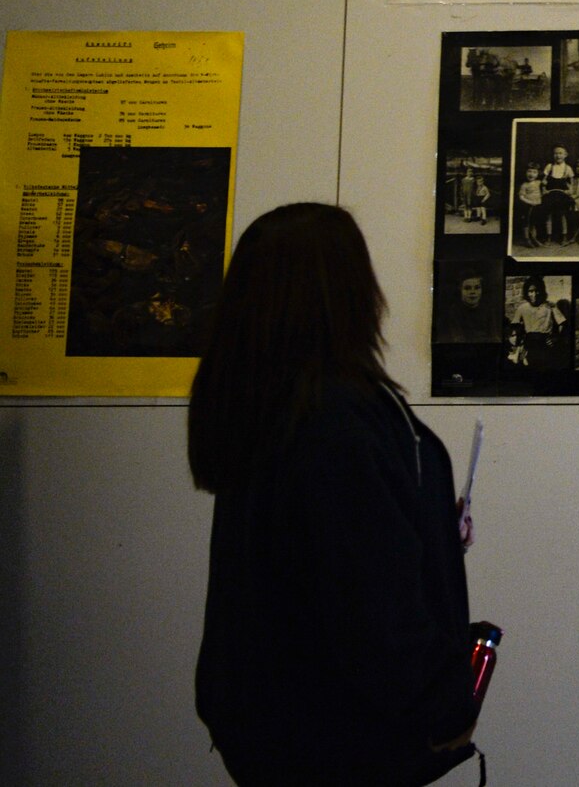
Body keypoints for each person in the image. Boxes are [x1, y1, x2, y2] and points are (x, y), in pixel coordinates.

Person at [188, 203, 479, 787]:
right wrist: (442, 705)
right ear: (345, 291)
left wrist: (414, 517)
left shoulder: (264, 403)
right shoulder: (337, 421)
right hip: (342, 737)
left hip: (270, 726)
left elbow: (311, 553)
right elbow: (370, 608)